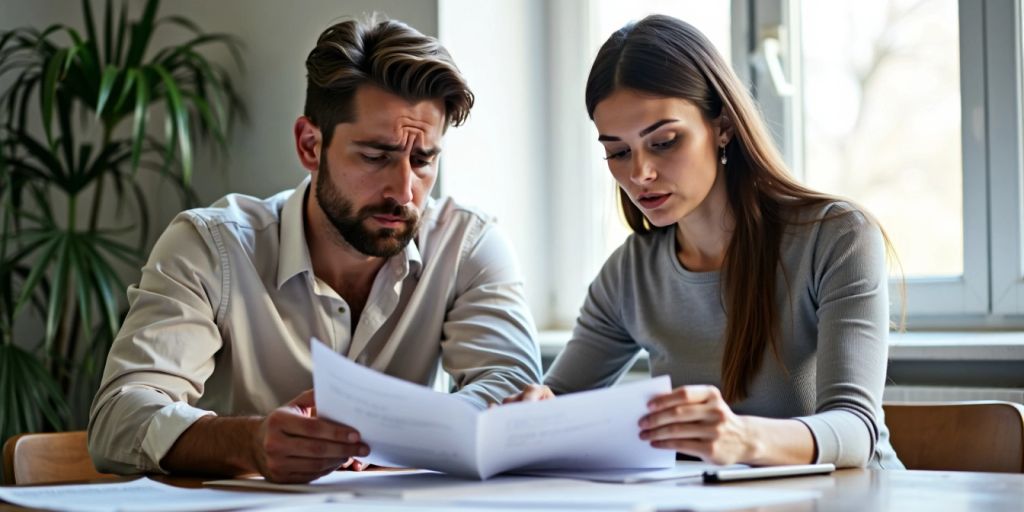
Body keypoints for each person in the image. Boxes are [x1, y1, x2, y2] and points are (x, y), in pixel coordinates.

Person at [88, 16, 542, 483]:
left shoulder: (468, 245)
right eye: (375, 156)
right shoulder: (210, 246)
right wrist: (249, 442)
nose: (404, 190)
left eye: (422, 160)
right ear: (310, 144)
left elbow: (514, 389)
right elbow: (118, 418)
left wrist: (397, 435)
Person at [507, 14, 903, 469]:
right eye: (618, 152)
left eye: (664, 142)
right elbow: (560, 401)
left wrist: (742, 438)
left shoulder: (837, 238)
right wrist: (537, 411)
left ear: (724, 126)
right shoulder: (629, 273)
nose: (639, 174)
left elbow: (856, 432)